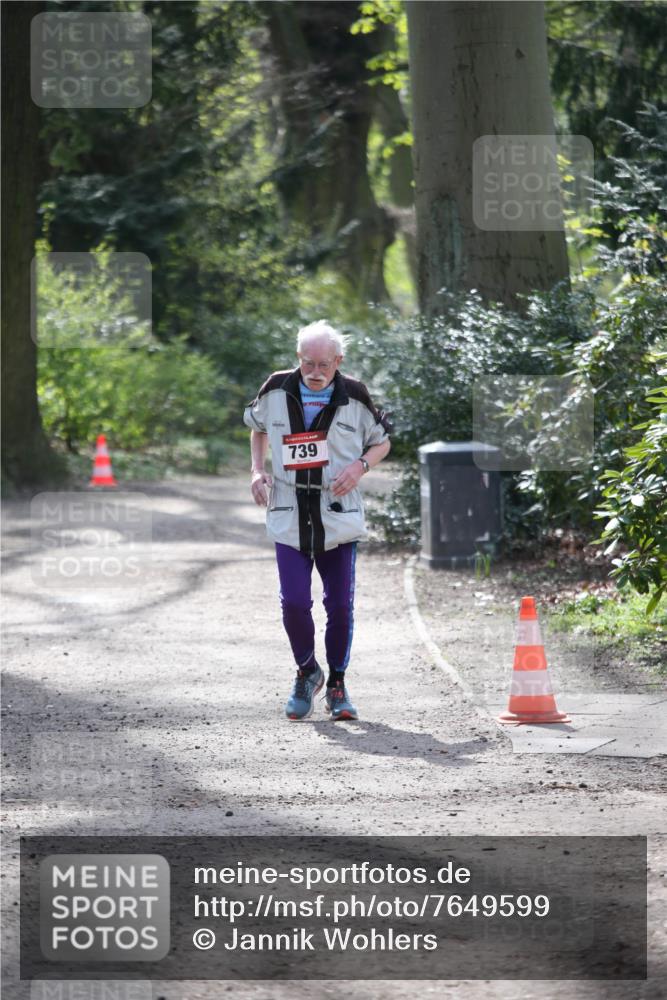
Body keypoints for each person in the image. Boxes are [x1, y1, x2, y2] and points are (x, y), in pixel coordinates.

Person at [243, 320, 391, 721]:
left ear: (338, 361)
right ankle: (307, 671)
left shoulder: (354, 394)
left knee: (339, 605)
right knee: (294, 602)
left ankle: (338, 683)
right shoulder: (276, 388)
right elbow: (256, 427)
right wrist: (257, 470)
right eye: (308, 363)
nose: (315, 372)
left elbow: (382, 442)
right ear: (298, 357)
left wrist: (360, 467)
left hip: (336, 513)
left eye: (324, 364)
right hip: (289, 510)